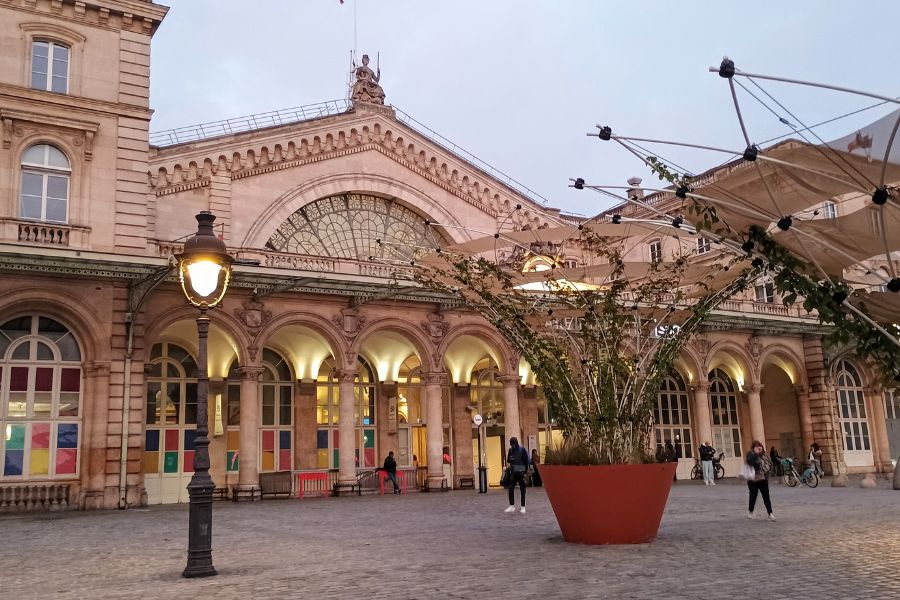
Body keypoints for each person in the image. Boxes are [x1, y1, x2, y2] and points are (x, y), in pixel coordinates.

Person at [745, 440, 775, 521]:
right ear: (753, 448)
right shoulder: (750, 454)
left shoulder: (764, 455)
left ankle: (770, 513)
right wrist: (755, 454)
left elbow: (770, 464)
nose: (759, 448)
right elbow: (750, 462)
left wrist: (768, 473)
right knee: (753, 496)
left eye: (760, 446)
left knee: (766, 496)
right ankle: (750, 512)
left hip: (763, 478)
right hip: (753, 479)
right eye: (757, 446)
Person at [504, 437, 530, 514]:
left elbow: (526, 460)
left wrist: (525, 471)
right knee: (510, 488)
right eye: (511, 444)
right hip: (513, 472)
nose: (513, 446)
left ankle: (523, 506)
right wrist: (511, 459)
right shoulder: (511, 450)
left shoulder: (522, 450)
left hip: (521, 471)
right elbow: (508, 459)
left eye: (514, 444)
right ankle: (512, 506)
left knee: (523, 489)